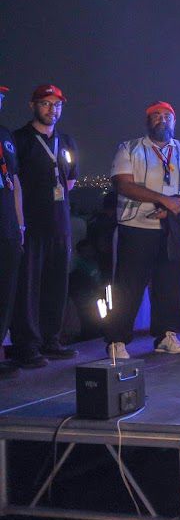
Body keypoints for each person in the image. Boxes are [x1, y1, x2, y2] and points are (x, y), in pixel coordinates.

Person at [106, 101, 180, 358]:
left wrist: (178, 204)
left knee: (170, 283)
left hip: (175, 226)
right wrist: (163, 200)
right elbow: (123, 184)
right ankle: (117, 340)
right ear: (148, 121)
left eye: (167, 116)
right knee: (129, 285)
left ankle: (165, 335)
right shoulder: (129, 148)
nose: (162, 119)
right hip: (137, 226)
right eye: (156, 116)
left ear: (174, 121)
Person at [11, 84, 78, 367]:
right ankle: (27, 346)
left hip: (60, 225)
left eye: (57, 105)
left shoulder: (66, 141)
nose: (52, 109)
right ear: (33, 106)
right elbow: (13, 183)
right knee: (28, 287)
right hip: (31, 225)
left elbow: (70, 181)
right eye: (46, 104)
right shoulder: (20, 140)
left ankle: (52, 340)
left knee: (56, 285)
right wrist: (19, 224)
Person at [0, 84, 25, 379]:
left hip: (7, 225)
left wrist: (20, 224)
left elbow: (14, 182)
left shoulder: (5, 135)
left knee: (5, 291)